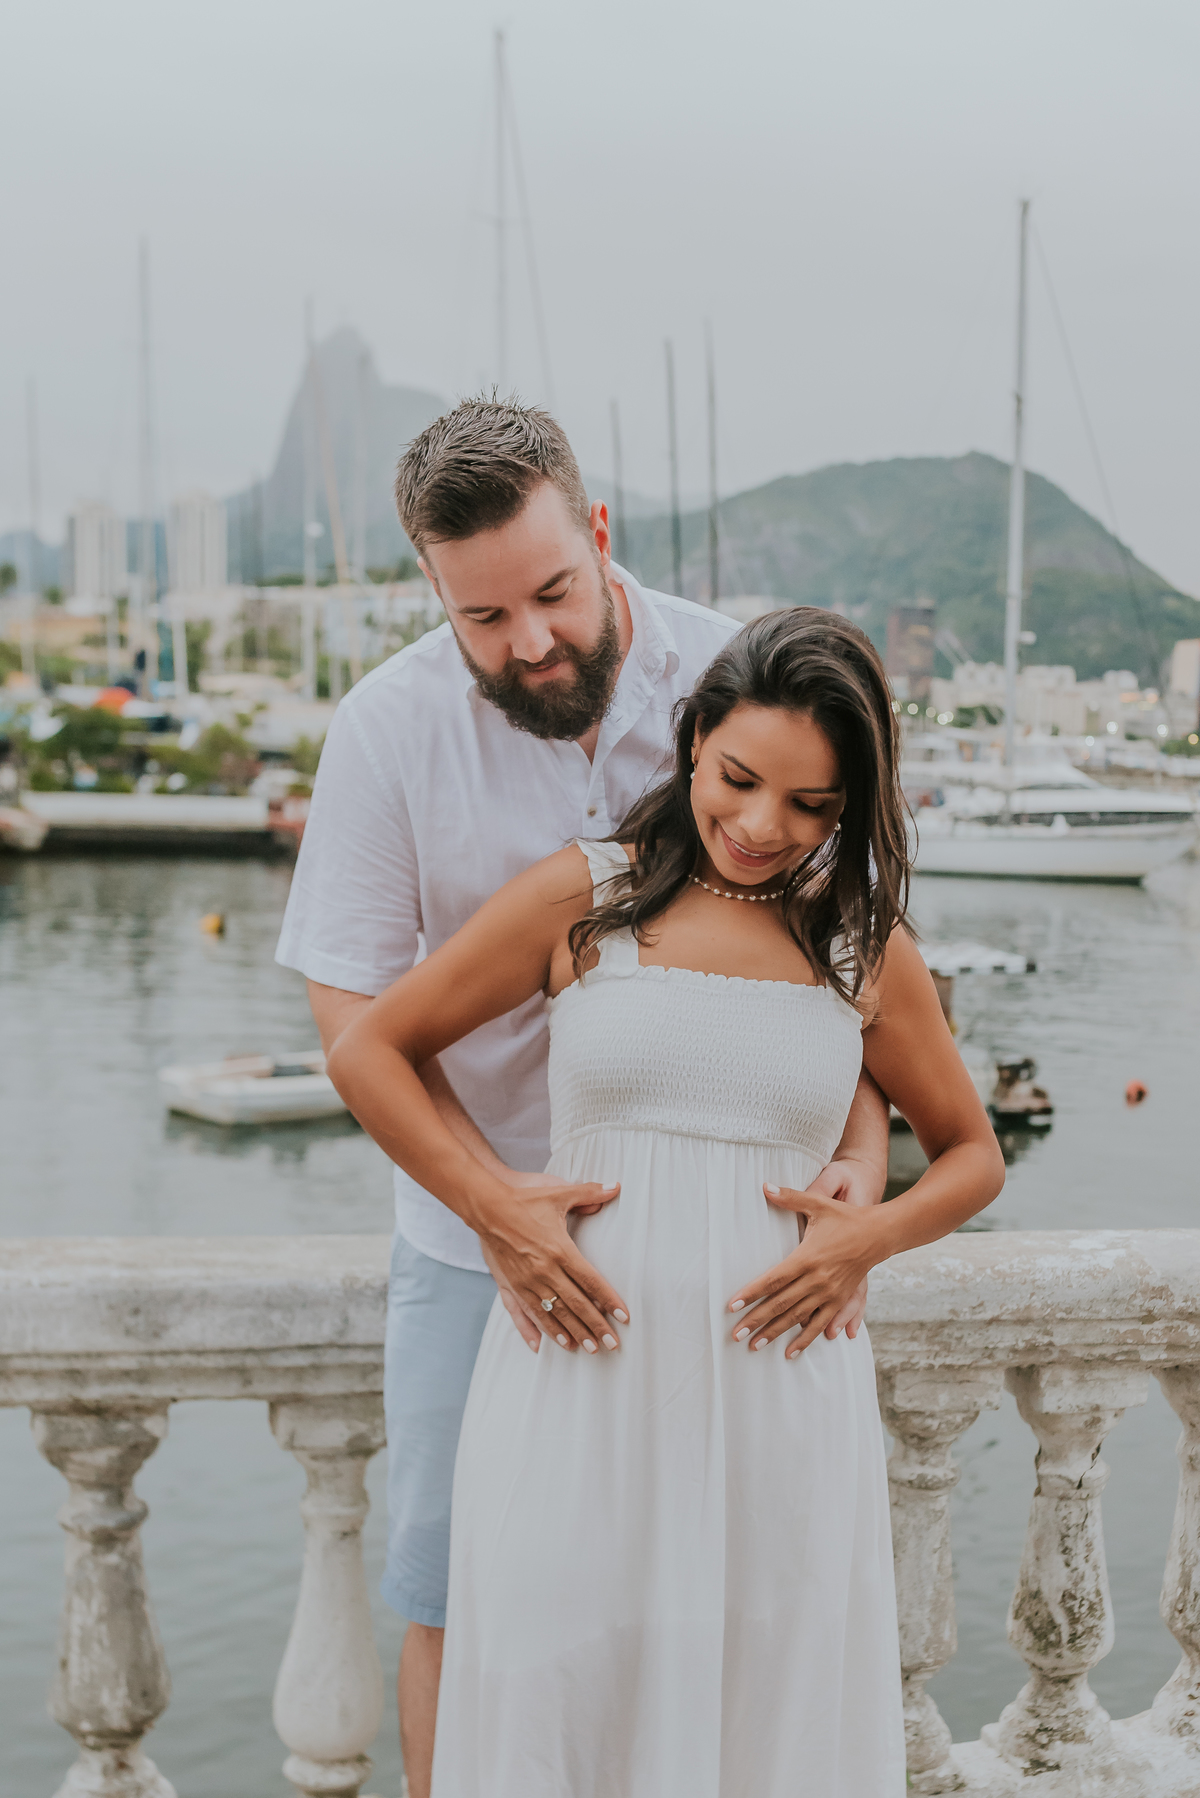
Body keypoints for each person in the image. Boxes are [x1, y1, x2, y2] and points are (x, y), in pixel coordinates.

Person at [275, 399, 892, 1797]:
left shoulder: (733, 685)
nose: (530, 642)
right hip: (465, 1241)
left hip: (729, 1271)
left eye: (551, 593)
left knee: (730, 1614)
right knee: (465, 1603)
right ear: (433, 591)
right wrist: (492, 1210)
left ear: (599, 534)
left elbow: (850, 980)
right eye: (482, 617)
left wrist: (860, 1146)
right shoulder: (384, 731)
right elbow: (352, 1016)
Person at [326, 606, 1007, 1797]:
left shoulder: (860, 940)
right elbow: (373, 1049)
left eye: (813, 806)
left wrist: (869, 1238)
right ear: (693, 740)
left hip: (778, 1399)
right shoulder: (583, 897)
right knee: (559, 1693)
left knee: (762, 1711)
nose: (761, 827)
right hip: (578, 1377)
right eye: (740, 779)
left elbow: (971, 1153)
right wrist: (493, 1204)